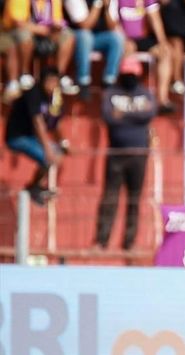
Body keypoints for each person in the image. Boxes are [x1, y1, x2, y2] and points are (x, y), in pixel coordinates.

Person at [95, 56, 156, 250]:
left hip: (139, 154)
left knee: (134, 199)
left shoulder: (145, 93)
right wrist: (135, 115)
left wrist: (123, 114)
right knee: (109, 198)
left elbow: (150, 113)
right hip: (116, 155)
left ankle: (129, 242)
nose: (130, 77)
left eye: (133, 74)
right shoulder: (112, 93)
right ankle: (101, 240)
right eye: (127, 74)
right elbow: (108, 117)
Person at [4, 66, 68, 205]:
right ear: (42, 81)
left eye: (55, 82)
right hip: (17, 136)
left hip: (32, 137)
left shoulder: (54, 98)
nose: (52, 85)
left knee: (57, 155)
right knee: (48, 157)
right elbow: (38, 122)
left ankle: (36, 185)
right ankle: (34, 188)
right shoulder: (33, 94)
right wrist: (47, 149)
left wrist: (62, 142)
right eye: (50, 81)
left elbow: (55, 122)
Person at [5, 0, 80, 94]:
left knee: (68, 35)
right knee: (24, 34)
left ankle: (59, 76)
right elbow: (18, 23)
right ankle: (24, 74)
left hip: (47, 33)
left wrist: (57, 28)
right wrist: (41, 30)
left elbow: (57, 20)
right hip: (20, 32)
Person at [117, 0, 175, 114]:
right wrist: (123, 39)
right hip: (123, 39)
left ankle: (162, 100)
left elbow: (155, 18)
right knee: (128, 49)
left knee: (166, 52)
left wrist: (162, 41)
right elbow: (112, 21)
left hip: (141, 39)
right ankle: (128, 96)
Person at [63, 0, 125, 101]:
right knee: (85, 36)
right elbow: (86, 25)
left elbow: (112, 26)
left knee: (117, 38)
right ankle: (83, 81)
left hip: (99, 39)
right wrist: (97, 4)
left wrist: (106, 9)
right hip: (76, 39)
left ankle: (109, 81)